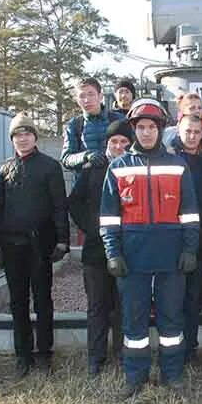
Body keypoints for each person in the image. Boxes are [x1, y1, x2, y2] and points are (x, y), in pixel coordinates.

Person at [99, 98, 200, 398]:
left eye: (151, 127)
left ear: (160, 129)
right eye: (140, 127)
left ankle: (172, 374)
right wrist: (112, 253)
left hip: (172, 257)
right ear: (133, 130)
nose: (145, 133)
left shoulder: (178, 165)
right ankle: (135, 376)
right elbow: (108, 217)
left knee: (172, 318)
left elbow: (191, 213)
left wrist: (190, 249)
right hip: (132, 258)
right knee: (134, 320)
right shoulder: (117, 168)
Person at [0, 114, 70, 379]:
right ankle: (22, 355)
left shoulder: (50, 166)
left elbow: (60, 205)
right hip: (12, 246)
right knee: (17, 301)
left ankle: (44, 353)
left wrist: (62, 240)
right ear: (12, 139)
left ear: (35, 137)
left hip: (40, 244)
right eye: (17, 135)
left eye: (27, 134)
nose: (22, 139)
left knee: (43, 300)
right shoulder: (3, 169)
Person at [68, 120, 133, 377]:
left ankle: (123, 353)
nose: (118, 146)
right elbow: (74, 203)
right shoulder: (92, 170)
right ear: (107, 144)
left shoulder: (134, 169)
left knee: (123, 305)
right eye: (113, 142)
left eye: (123, 142)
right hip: (96, 251)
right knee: (97, 306)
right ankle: (96, 357)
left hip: (128, 250)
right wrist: (93, 227)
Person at [170, 115, 202, 364]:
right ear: (179, 132)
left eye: (196, 132)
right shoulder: (169, 161)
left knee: (193, 298)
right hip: (172, 240)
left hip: (200, 242)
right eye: (187, 131)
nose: (191, 136)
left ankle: (190, 349)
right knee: (171, 299)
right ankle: (172, 348)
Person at [60, 77, 125, 179]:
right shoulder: (74, 125)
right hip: (86, 185)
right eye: (82, 96)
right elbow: (66, 159)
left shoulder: (119, 120)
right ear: (77, 100)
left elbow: (133, 151)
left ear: (100, 96)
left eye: (91, 94)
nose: (86, 100)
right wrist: (85, 156)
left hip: (117, 181)